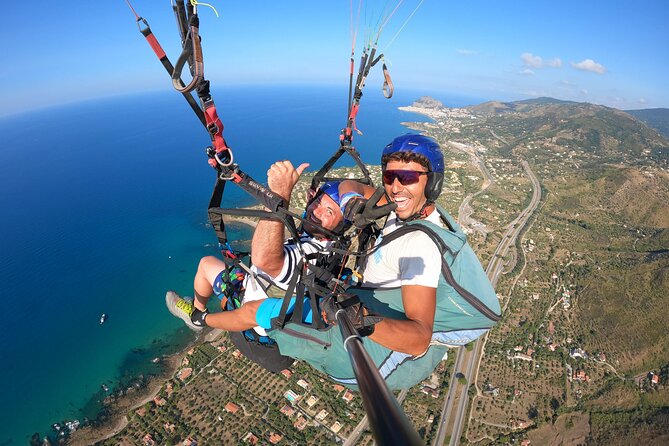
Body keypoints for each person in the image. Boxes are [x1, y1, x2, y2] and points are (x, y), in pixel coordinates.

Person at [168, 134, 500, 389]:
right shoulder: (404, 208)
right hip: (293, 286)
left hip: (277, 304)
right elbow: (367, 193)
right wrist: (330, 192)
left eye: (409, 178)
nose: (397, 186)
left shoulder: (419, 244)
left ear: (433, 182)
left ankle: (200, 319)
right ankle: (198, 310)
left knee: (245, 304)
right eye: (391, 176)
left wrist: (279, 197)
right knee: (206, 265)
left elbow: (418, 339)